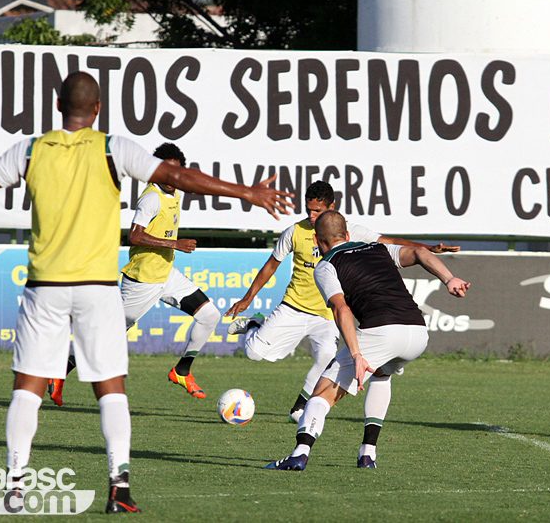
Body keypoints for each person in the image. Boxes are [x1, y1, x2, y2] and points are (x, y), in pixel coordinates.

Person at [0, 72, 292, 513]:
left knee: (25, 388)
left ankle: (14, 485)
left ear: (57, 106)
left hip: (45, 286)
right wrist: (248, 194)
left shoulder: (31, 150)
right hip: (98, 288)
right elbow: (178, 174)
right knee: (111, 389)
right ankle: (119, 486)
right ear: (99, 108)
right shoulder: (113, 147)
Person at [225, 181, 460, 423]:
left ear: (332, 207)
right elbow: (271, 265)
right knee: (253, 354)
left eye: (317, 211)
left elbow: (389, 243)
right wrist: (247, 298)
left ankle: (299, 409)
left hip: (327, 314)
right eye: (308, 210)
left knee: (327, 359)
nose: (312, 216)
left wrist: (428, 248)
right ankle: (256, 325)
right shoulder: (294, 232)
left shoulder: (349, 231)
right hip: (294, 307)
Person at [266, 210, 469, 470]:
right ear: (347, 234)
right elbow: (419, 252)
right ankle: (367, 454)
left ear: (316, 241)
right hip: (417, 332)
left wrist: (356, 354)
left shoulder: (326, 266)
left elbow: (341, 310)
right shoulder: (377, 248)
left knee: (321, 395)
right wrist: (449, 278)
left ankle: (299, 454)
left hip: (382, 333)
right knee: (382, 375)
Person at [47, 143, 221, 405]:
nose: (171, 178)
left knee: (209, 315)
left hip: (166, 275)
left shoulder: (175, 193)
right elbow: (134, 236)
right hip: (142, 282)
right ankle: (61, 370)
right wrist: (175, 244)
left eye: (176, 173)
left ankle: (182, 371)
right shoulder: (151, 198)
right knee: (107, 337)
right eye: (165, 172)